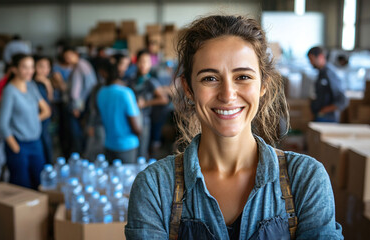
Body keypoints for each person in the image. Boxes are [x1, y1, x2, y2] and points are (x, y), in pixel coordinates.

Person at [126, 15, 343, 239]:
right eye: (210, 78)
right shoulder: (155, 187)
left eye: (243, 76)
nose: (228, 95)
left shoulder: (305, 179)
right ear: (188, 89)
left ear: (263, 85)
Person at [0, 53, 51, 189]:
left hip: (36, 142)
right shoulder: (9, 91)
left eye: (32, 67)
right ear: (15, 69)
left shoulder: (31, 86)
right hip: (19, 144)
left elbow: (46, 111)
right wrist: (15, 147)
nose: (30, 71)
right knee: (22, 186)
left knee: (40, 183)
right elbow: (2, 124)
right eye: (25, 67)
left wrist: (31, 120)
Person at [96, 61, 141, 164]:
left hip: (109, 144)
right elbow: (136, 128)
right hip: (127, 145)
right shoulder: (126, 93)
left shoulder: (101, 92)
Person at [129, 49, 169, 158]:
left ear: (150, 64)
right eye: (141, 61)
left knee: (142, 150)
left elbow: (164, 99)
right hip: (130, 119)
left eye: (146, 62)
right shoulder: (132, 79)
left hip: (144, 120)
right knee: (131, 148)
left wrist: (146, 103)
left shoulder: (151, 81)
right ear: (136, 63)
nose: (143, 65)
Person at [63, 47, 97, 155]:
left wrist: (76, 106)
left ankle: (80, 154)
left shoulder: (80, 66)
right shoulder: (79, 66)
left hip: (80, 105)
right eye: (66, 58)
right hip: (83, 103)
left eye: (69, 56)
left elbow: (78, 90)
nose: (68, 59)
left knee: (77, 133)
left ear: (76, 54)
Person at [307, 46, 348, 122]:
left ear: (320, 57)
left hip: (328, 119)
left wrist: (323, 110)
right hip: (320, 117)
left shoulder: (330, 74)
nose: (310, 63)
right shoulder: (321, 74)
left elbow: (342, 100)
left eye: (311, 59)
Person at [33, 55, 54, 164]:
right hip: (37, 121)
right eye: (41, 66)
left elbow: (49, 100)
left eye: (47, 67)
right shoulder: (33, 85)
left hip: (45, 121)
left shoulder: (44, 82)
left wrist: (48, 84)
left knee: (47, 144)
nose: (44, 70)